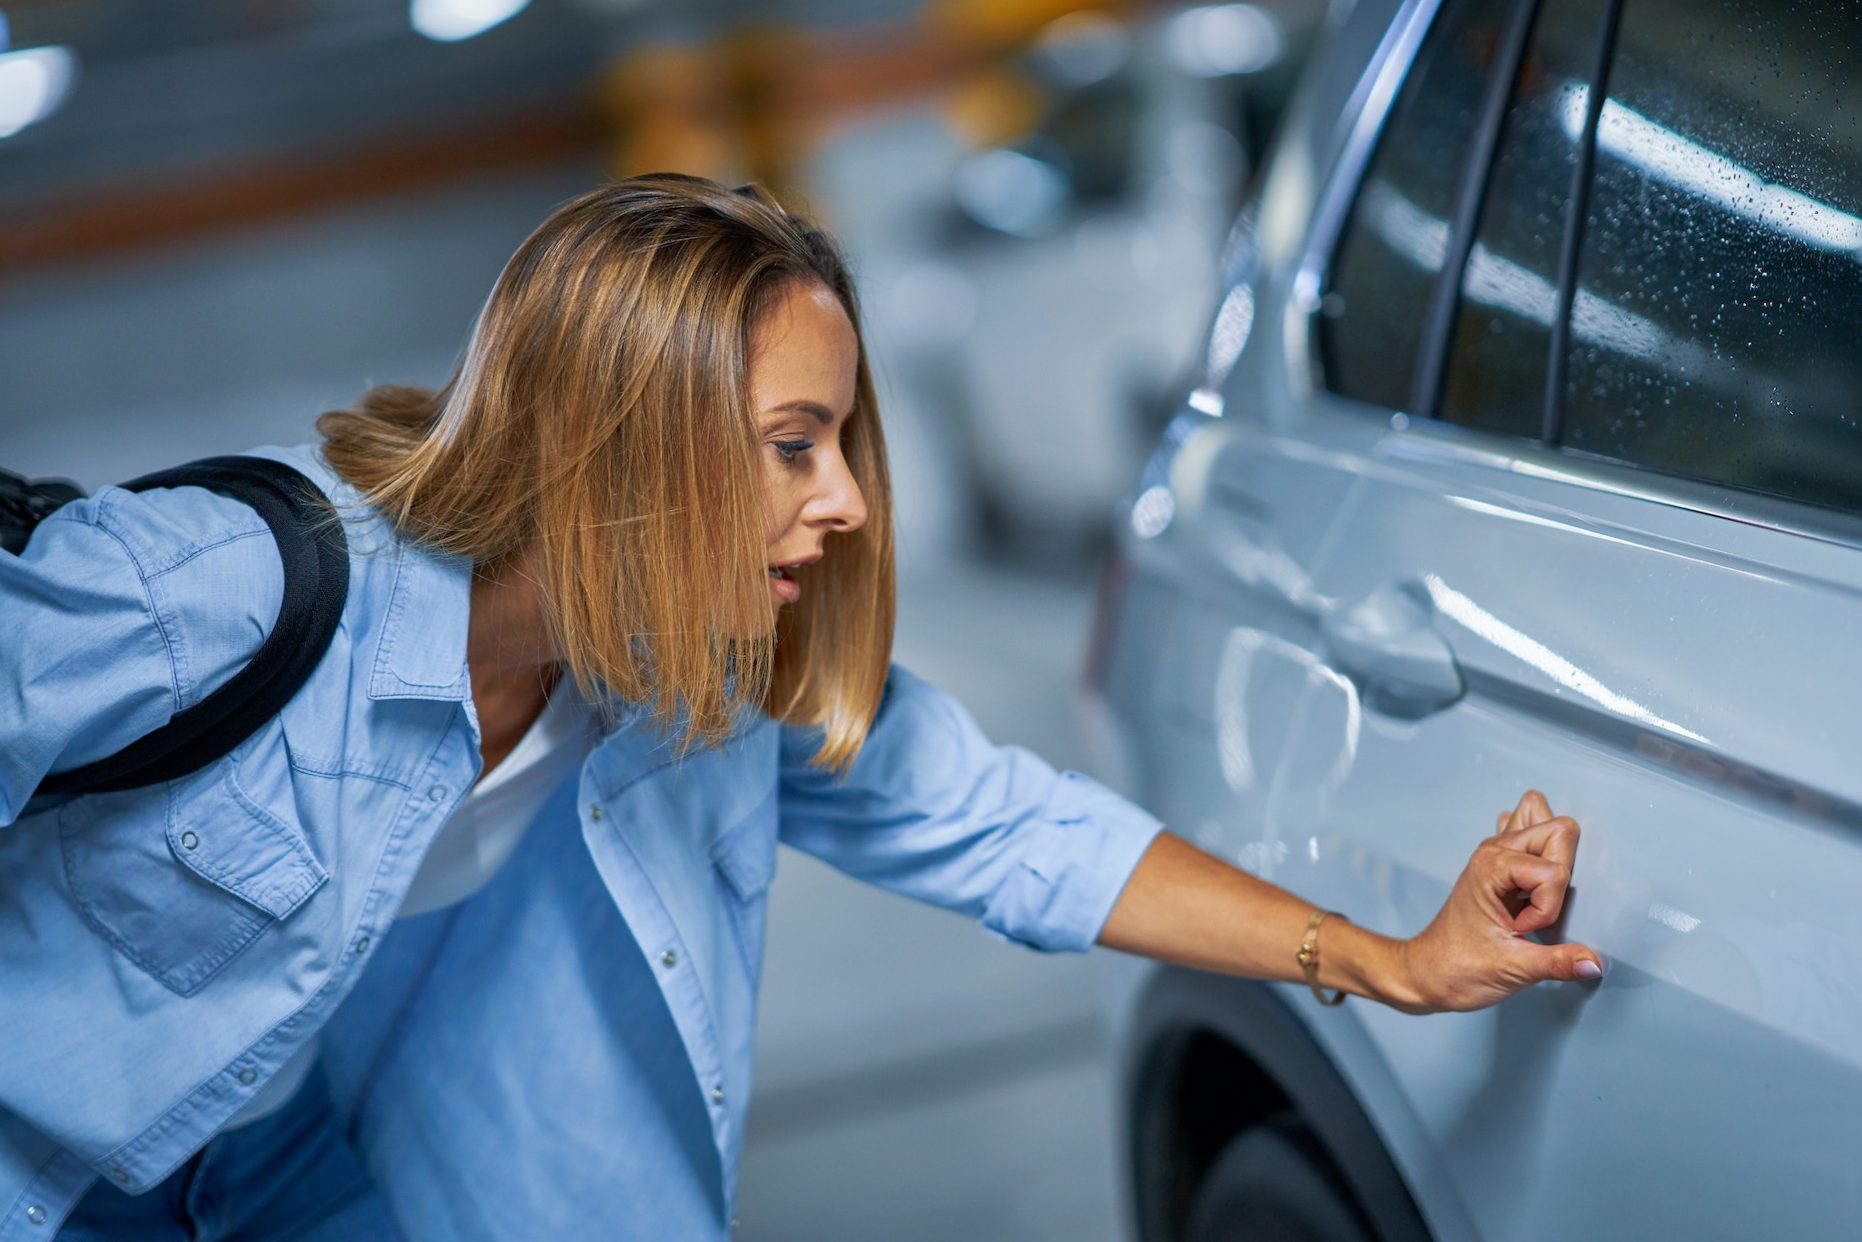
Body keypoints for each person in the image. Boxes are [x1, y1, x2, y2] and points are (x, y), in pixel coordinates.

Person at [0, 175, 1603, 1241]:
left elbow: (1009, 828)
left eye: (837, 442)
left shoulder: (690, 682)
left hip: (293, 1182)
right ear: (621, 431)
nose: (842, 498)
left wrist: (1384, 960)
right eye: (791, 444)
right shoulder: (214, 588)